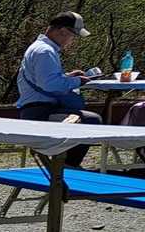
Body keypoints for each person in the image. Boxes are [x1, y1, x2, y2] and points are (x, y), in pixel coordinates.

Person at [16, 11, 102, 167]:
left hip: (36, 109)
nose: (72, 40)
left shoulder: (40, 48)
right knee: (91, 120)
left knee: (87, 119)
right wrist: (77, 81)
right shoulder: (45, 51)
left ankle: (65, 167)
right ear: (62, 31)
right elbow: (49, 85)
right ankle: (68, 168)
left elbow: (43, 79)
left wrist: (67, 76)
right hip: (40, 112)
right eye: (72, 35)